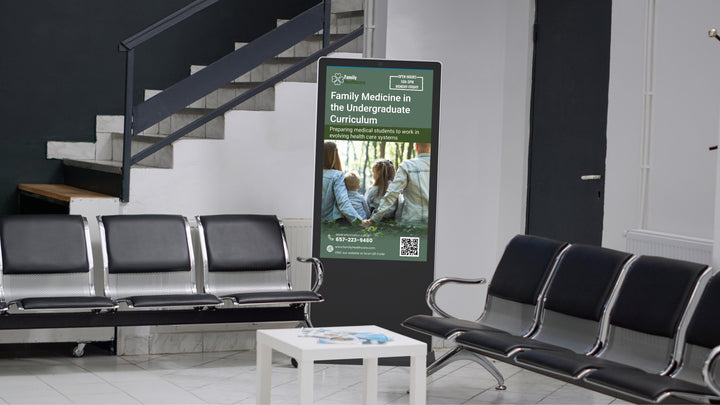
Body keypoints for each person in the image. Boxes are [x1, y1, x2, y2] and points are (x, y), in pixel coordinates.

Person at [362, 143, 431, 227]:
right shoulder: (442, 165)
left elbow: (392, 193)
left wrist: (374, 219)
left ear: (416, 146)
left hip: (412, 223)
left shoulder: (408, 166)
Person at [320, 141, 362, 223]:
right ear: (335, 156)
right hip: (330, 224)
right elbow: (343, 203)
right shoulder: (337, 175)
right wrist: (360, 222)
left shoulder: (314, 173)